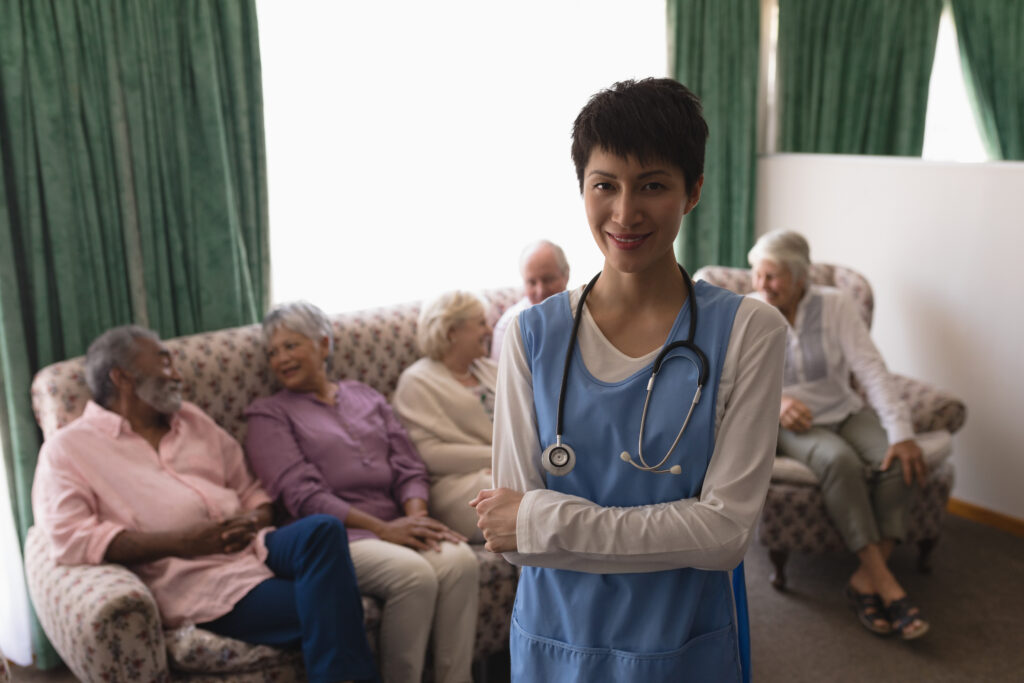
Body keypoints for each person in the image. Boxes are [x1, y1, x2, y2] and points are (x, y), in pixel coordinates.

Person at [470, 78, 787, 682]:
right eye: (604, 186)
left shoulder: (749, 331)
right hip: (552, 642)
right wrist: (668, 526)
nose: (625, 213)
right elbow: (509, 541)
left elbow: (723, 534)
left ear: (692, 191)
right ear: (582, 189)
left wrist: (544, 519)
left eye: (653, 186)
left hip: (680, 646)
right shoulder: (531, 335)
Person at [31, 325, 376, 683]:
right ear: (123, 378)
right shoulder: (68, 450)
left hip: (254, 545)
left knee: (322, 530)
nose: (177, 375)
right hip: (196, 581)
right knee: (330, 607)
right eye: (165, 365)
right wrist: (185, 543)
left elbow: (250, 489)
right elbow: (70, 538)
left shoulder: (193, 421)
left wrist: (255, 519)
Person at [244, 302, 479, 683]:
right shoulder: (267, 415)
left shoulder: (364, 396)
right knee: (413, 576)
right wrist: (385, 530)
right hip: (339, 539)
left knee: (460, 563)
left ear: (323, 344)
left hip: (396, 522)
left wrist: (416, 517)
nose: (280, 358)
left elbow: (409, 465)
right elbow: (302, 495)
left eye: (291, 345)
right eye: (273, 352)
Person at [747, 230, 930, 640]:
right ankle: (888, 586)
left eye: (772, 276)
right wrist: (778, 403)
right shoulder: (751, 312)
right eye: (757, 274)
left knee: (896, 459)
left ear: (799, 277)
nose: (761, 285)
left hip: (844, 409)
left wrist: (901, 430)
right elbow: (735, 378)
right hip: (793, 422)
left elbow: (869, 368)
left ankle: (866, 580)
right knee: (839, 462)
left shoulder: (835, 305)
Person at [393, 291, 497, 543]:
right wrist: (499, 457)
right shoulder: (417, 381)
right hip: (456, 487)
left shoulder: (490, 369)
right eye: (481, 323)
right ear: (451, 332)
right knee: (526, 496)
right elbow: (429, 455)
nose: (489, 330)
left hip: (499, 471)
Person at [490, 240, 571, 362]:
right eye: (532, 282)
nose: (540, 291)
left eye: (548, 280)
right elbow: (501, 379)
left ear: (566, 275)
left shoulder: (584, 311)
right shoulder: (509, 327)